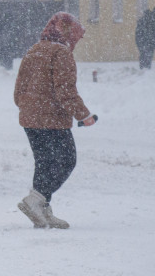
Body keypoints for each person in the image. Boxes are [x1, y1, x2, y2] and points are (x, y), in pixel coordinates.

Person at [13, 12, 96, 229]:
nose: (76, 41)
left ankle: (42, 209)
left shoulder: (34, 50)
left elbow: (18, 90)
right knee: (67, 160)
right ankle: (36, 200)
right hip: (51, 119)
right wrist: (84, 115)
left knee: (44, 163)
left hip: (30, 119)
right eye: (76, 36)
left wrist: (28, 108)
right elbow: (65, 91)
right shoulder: (61, 53)